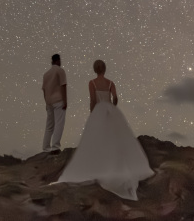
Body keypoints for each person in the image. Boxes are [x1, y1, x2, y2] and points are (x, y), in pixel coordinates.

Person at [57, 60, 153, 200]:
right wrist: (112, 107)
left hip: (99, 110)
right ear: (105, 69)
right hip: (110, 110)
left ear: (95, 69)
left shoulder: (92, 83)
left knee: (98, 138)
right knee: (114, 138)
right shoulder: (110, 83)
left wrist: (93, 113)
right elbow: (116, 97)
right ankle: (114, 166)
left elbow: (92, 100)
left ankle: (100, 166)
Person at [42, 53, 67, 153]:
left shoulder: (46, 74)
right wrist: (65, 101)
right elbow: (63, 86)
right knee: (59, 123)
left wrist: (46, 102)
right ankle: (55, 146)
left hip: (49, 102)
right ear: (58, 60)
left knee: (49, 125)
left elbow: (44, 89)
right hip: (58, 100)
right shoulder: (60, 71)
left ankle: (46, 147)